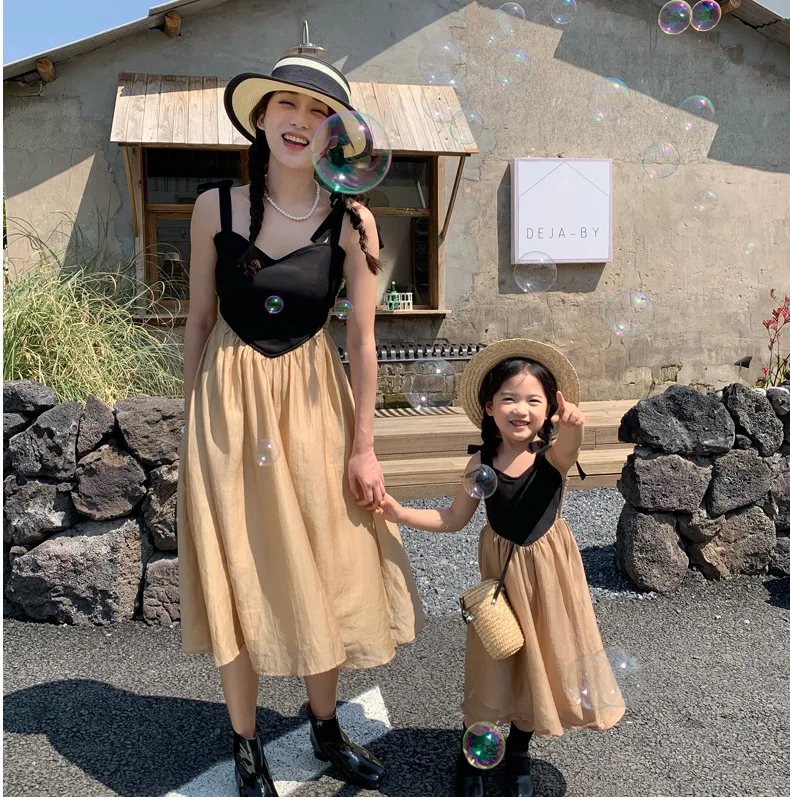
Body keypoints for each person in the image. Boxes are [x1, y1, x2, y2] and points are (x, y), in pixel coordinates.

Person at [176, 52, 424, 796]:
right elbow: (198, 321)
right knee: (237, 565)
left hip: (316, 403)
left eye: (320, 112)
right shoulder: (215, 207)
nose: (300, 121)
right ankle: (246, 742)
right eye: (287, 104)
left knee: (327, 559)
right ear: (260, 117)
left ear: (336, 136)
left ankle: (324, 726)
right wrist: (193, 423)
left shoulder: (354, 221)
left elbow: (362, 342)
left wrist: (365, 448)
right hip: (228, 403)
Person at [375, 338, 625, 797]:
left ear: (550, 409)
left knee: (538, 661)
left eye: (534, 400)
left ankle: (519, 752)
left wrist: (573, 427)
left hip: (549, 579)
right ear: (489, 407)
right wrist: (400, 512)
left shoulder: (551, 456)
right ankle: (471, 754)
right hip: (502, 581)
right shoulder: (481, 462)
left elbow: (568, 451)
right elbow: (454, 517)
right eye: (509, 398)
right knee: (492, 664)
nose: (520, 409)